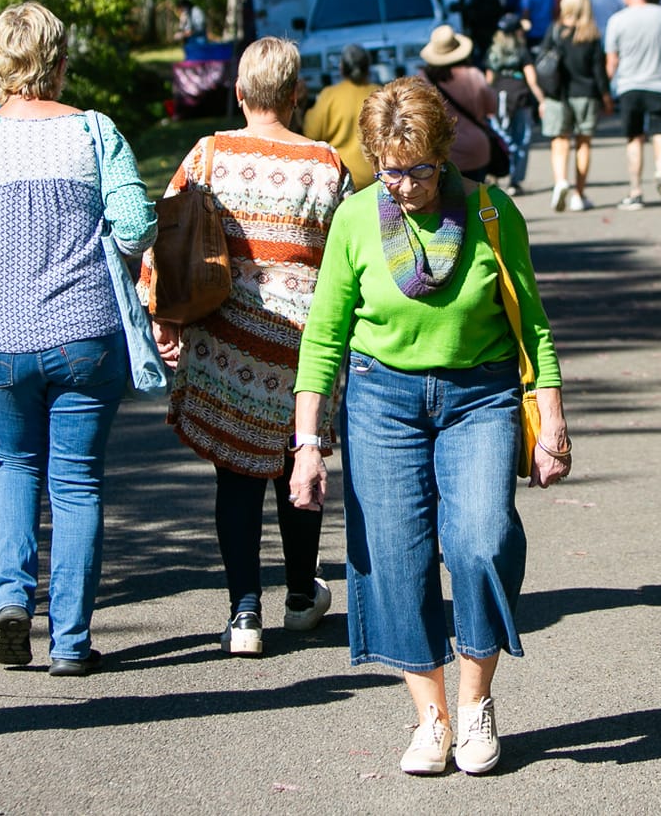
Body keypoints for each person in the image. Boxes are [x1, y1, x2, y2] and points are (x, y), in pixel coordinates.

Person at [289, 79, 571, 777]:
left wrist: (552, 421)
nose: (405, 185)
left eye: (419, 170)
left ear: (443, 155)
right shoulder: (356, 218)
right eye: (390, 170)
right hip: (381, 399)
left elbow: (533, 323)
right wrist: (306, 444)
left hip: (480, 394)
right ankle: (431, 717)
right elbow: (323, 335)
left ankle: (475, 704)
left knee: (483, 540)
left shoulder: (491, 211)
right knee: (396, 556)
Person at [0, 1, 157, 677]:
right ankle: (71, 643)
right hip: (85, 335)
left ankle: (12, 602)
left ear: (1, 65)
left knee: (12, 463)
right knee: (76, 482)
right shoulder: (94, 131)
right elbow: (136, 227)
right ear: (61, 62)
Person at [148, 38, 347, 657]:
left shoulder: (207, 155)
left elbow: (167, 237)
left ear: (238, 93)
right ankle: (300, 596)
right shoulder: (327, 164)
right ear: (297, 94)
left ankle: (243, 614)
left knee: (235, 475)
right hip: (302, 342)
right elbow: (346, 256)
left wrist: (165, 315)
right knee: (297, 460)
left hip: (224, 335)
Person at [529, 0, 611, 212]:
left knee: (559, 140)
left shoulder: (555, 30)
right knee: (584, 143)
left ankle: (561, 181)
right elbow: (598, 70)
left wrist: (543, 96)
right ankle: (579, 195)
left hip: (558, 94)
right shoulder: (591, 34)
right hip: (586, 93)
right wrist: (606, 96)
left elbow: (542, 62)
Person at [604, 0, 661, 212]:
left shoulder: (617, 20)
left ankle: (636, 191)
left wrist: (606, 90)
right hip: (659, 83)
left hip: (629, 86)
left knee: (634, 138)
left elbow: (612, 60)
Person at [418, 25, 500, 179]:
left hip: (439, 153)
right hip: (475, 150)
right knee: (475, 192)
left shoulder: (423, 81)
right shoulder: (473, 75)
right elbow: (492, 107)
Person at [303, 44, 379, 189]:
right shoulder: (379, 94)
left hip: (340, 178)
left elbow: (311, 133)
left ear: (341, 68)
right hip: (374, 179)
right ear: (368, 68)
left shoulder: (329, 95)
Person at [485, 17, 538, 194]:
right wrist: (541, 99)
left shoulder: (493, 52)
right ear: (517, 32)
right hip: (520, 98)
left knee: (502, 137)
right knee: (522, 139)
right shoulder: (522, 51)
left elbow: (489, 80)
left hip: (498, 99)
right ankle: (515, 181)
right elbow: (531, 78)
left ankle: (496, 173)